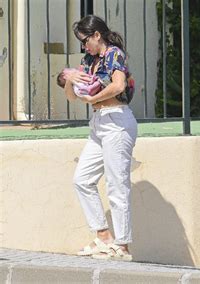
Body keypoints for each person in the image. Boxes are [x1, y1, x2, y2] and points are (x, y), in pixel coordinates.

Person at [61, 15, 137, 261]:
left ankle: (123, 246)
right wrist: (70, 81)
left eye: (85, 40)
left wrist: (94, 99)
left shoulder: (114, 54)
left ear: (96, 35)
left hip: (116, 120)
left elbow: (118, 86)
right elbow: (72, 97)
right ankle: (104, 238)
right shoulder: (88, 60)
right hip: (98, 124)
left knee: (117, 184)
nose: (84, 46)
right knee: (82, 179)